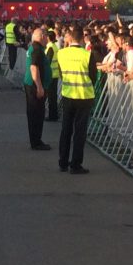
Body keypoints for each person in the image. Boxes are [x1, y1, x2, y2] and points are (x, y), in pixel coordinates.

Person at [55, 26, 97, 174]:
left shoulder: (61, 53)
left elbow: (61, 73)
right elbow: (93, 76)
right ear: (81, 39)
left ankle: (63, 162)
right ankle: (76, 164)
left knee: (66, 129)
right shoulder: (87, 55)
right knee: (80, 132)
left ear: (71, 38)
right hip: (84, 96)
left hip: (67, 94)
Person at [23, 28, 51, 151]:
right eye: (45, 37)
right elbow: (34, 68)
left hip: (32, 85)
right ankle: (36, 142)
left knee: (34, 113)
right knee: (36, 114)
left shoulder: (34, 48)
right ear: (41, 36)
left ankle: (36, 140)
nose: (47, 39)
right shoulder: (37, 50)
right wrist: (39, 86)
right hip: (34, 86)